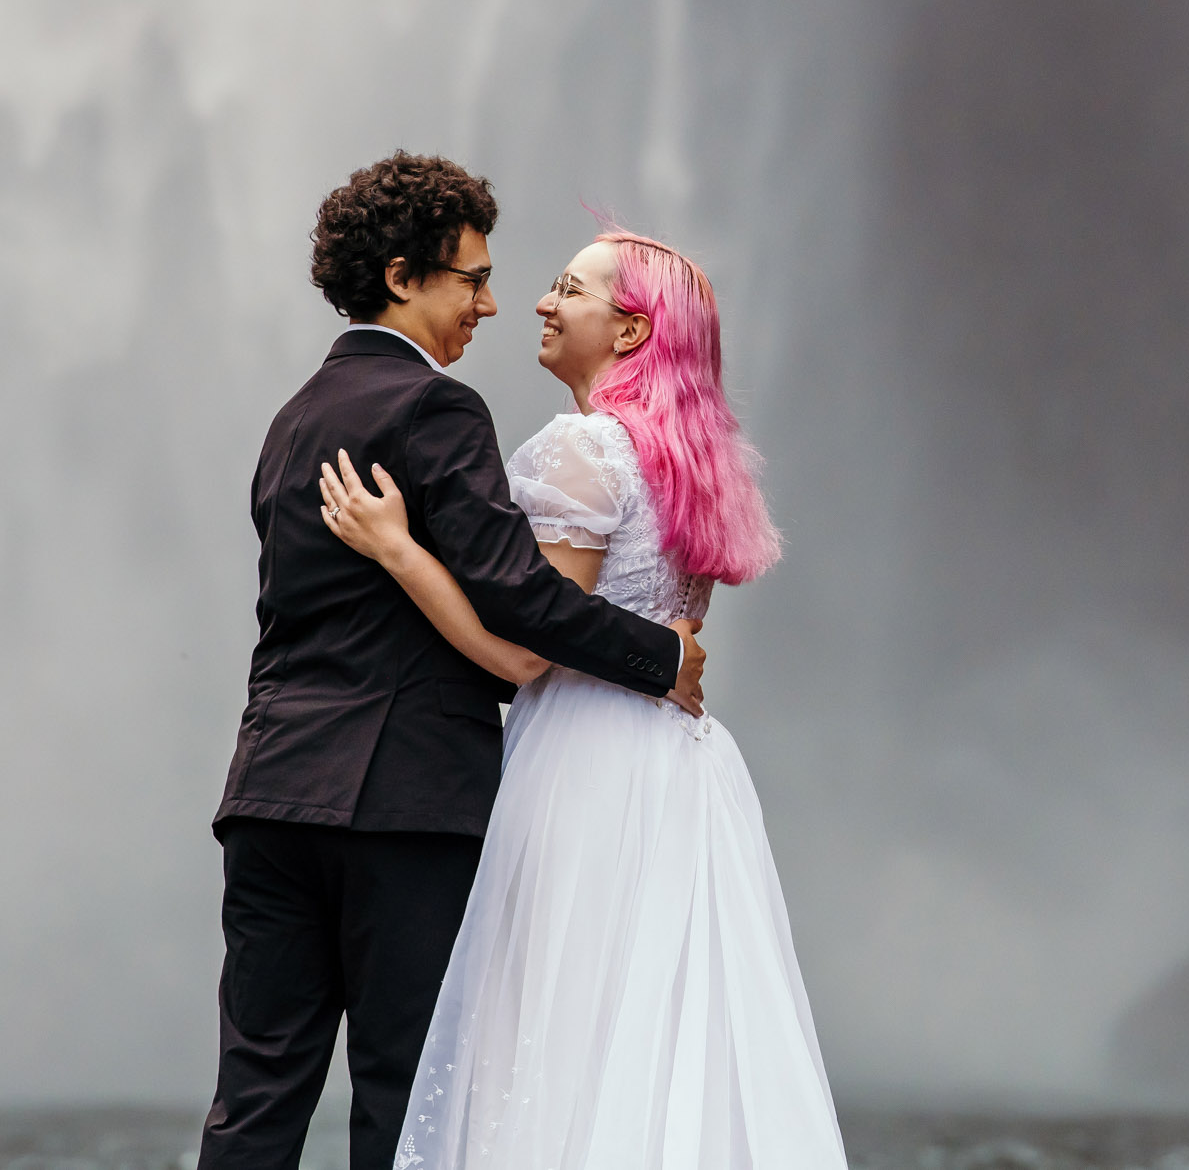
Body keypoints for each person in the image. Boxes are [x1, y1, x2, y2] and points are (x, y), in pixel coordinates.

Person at [200, 155, 707, 1170]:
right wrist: (663, 654)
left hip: (269, 795)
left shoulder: (290, 420)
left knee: (256, 1095)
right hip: (404, 803)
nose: (490, 301)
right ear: (400, 276)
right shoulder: (438, 409)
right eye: (469, 277)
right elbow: (516, 592)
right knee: (405, 1090)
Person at [317, 226, 848, 1170]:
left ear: (632, 332)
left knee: (557, 1019)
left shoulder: (584, 447)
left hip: (583, 764)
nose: (539, 301)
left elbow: (521, 653)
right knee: (660, 1023)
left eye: (569, 288)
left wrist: (396, 548)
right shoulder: (694, 462)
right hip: (686, 767)